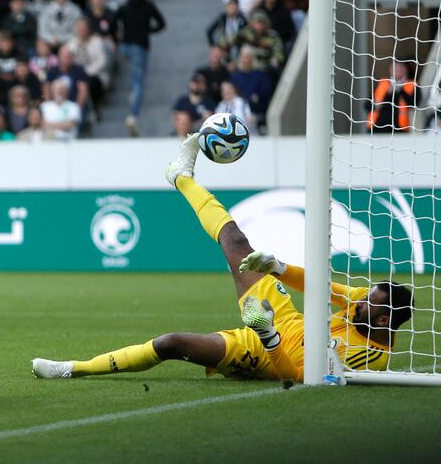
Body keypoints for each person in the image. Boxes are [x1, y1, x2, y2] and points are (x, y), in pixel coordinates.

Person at [32, 135, 415, 382]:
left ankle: (74, 369)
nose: (358, 300)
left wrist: (266, 335)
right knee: (235, 239)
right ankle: (181, 175)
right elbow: (321, 287)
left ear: (383, 320)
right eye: (364, 296)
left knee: (170, 343)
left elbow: (296, 375)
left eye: (367, 303)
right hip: (282, 316)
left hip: (264, 351)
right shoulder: (365, 304)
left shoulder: (371, 360)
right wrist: (278, 267)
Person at [117, 0, 166, 135]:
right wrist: (147, 30)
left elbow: (114, 22)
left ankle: (132, 92)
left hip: (125, 45)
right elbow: (162, 24)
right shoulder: (147, 6)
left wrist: (119, 35)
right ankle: (133, 114)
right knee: (138, 81)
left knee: (134, 78)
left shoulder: (126, 6)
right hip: (139, 46)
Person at [367, 62, 420, 133]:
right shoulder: (382, 83)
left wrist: (400, 90)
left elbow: (415, 103)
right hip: (377, 127)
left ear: (406, 70)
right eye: (396, 68)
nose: (398, 70)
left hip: (400, 128)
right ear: (390, 70)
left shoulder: (412, 85)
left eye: (401, 68)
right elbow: (366, 105)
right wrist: (377, 104)